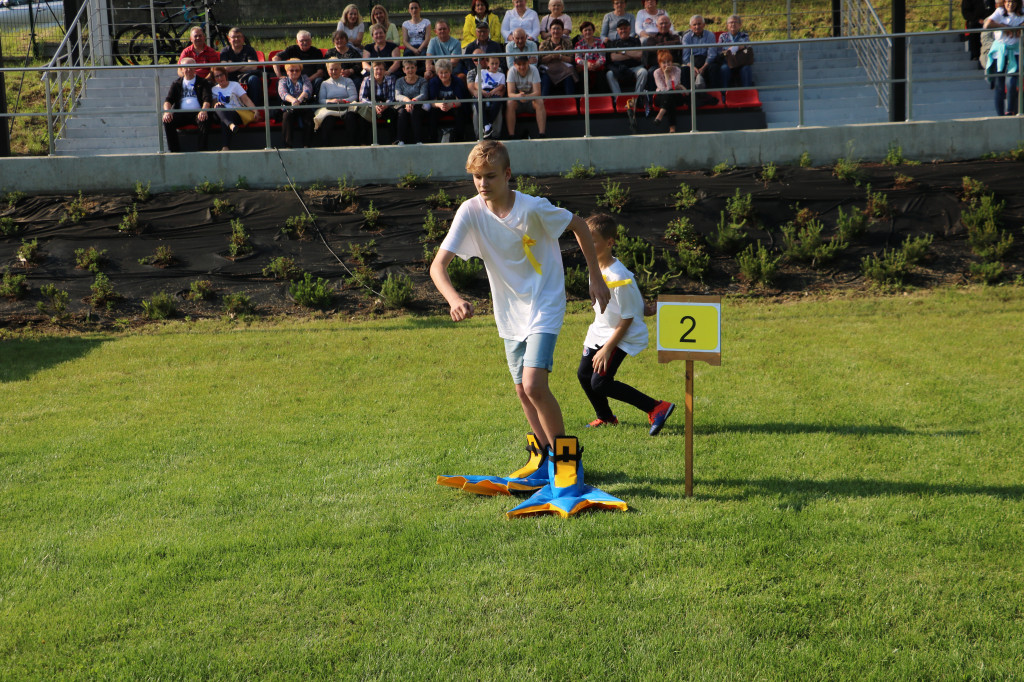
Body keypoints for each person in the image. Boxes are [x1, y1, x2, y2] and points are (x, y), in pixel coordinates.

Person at [429, 140, 611, 502]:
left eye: (490, 176)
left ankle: (567, 465)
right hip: (509, 311)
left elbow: (578, 225)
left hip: (545, 302)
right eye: (476, 177)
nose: (482, 184)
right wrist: (454, 299)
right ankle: (544, 460)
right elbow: (438, 266)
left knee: (533, 384)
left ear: (507, 174)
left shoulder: (532, 207)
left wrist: (595, 276)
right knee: (521, 390)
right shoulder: (470, 211)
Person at [577, 213, 675, 434]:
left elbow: (628, 317)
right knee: (584, 375)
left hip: (620, 333)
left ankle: (657, 407)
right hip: (600, 329)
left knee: (600, 382)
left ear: (609, 242)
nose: (587, 246)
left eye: (593, 241)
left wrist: (606, 349)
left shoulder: (618, 275)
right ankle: (606, 418)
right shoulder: (596, 266)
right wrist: (644, 306)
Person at [162, 57, 212, 153]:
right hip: (181, 113)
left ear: (195, 68)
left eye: (191, 67)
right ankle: (174, 151)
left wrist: (204, 110)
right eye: (186, 67)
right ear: (181, 69)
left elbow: (207, 99)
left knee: (204, 119)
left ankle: (202, 151)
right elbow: (168, 100)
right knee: (167, 120)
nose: (188, 69)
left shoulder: (203, 82)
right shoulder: (176, 83)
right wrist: (167, 112)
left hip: (198, 113)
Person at [984, 0, 1024, 115]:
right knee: (999, 85)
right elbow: (987, 25)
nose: (1010, 4)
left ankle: (1010, 110)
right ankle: (1000, 114)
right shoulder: (1000, 11)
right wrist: (1004, 27)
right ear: (1004, 2)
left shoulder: (1021, 12)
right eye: (1008, 2)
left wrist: (1019, 28)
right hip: (1000, 51)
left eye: (1013, 2)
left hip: (1015, 50)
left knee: (1012, 82)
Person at [314, 59, 360, 146]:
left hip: (346, 107)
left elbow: (354, 96)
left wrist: (343, 101)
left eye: (336, 69)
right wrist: (330, 101)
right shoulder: (324, 83)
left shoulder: (348, 81)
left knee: (350, 117)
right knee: (327, 120)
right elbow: (321, 100)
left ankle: (353, 145)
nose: (334, 71)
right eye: (331, 69)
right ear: (327, 70)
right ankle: (325, 146)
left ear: (340, 69)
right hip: (331, 108)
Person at [210, 66, 257, 151]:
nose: (220, 78)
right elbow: (214, 104)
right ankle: (231, 125)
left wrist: (255, 111)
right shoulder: (214, 89)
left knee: (224, 119)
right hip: (221, 113)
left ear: (225, 74)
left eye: (221, 75)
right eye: (217, 76)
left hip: (236, 113)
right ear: (214, 79)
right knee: (218, 107)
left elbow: (245, 99)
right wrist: (216, 104)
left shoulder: (235, 85)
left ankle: (225, 147)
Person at [427, 59, 471, 141]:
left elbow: (460, 101)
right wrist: (440, 105)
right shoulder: (433, 82)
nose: (444, 75)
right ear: (437, 73)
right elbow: (432, 102)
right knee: (432, 114)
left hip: (454, 106)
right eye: (441, 73)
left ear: (450, 72)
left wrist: (451, 105)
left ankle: (459, 139)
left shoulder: (457, 81)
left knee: (460, 113)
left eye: (446, 72)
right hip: (439, 107)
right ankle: (432, 140)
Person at [274, 31, 326, 97]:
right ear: (297, 41)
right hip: (293, 80)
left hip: (310, 79)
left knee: (319, 81)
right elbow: (275, 58)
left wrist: (306, 81)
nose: (305, 43)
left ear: (311, 41)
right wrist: (279, 75)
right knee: (279, 82)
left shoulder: (317, 52)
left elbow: (320, 72)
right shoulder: (292, 49)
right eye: (302, 41)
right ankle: (283, 103)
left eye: (307, 40)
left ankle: (316, 101)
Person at [506, 54, 546, 138]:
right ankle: (511, 135)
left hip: (531, 101)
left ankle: (542, 134)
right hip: (518, 101)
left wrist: (526, 96)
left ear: (528, 63)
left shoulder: (534, 70)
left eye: (524, 64)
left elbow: (537, 92)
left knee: (539, 101)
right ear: (514, 64)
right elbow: (510, 94)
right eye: (519, 64)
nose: (522, 67)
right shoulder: (511, 71)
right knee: (510, 103)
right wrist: (519, 96)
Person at [219, 27, 262, 105]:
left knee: (254, 79)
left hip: (247, 76)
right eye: (233, 37)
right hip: (230, 77)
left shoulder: (249, 50)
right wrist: (244, 64)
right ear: (229, 39)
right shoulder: (225, 51)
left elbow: (253, 66)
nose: (236, 39)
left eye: (238, 36)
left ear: (243, 38)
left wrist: (233, 65)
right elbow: (225, 68)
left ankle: (255, 107)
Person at [357, 60, 398, 142]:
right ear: (372, 70)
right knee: (363, 117)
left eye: (381, 69)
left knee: (390, 119)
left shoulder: (390, 80)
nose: (379, 71)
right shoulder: (366, 80)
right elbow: (362, 98)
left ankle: (393, 141)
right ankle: (363, 142)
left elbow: (391, 97)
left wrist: (385, 105)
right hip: (371, 106)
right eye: (376, 69)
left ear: (384, 70)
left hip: (385, 107)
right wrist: (374, 105)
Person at [278, 58, 314, 147]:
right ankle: (288, 145)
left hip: (303, 104)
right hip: (289, 105)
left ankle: (307, 145)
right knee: (287, 116)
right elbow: (283, 93)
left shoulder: (305, 78)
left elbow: (307, 89)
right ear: (287, 72)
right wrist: (293, 100)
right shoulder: (283, 81)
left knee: (309, 116)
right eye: (291, 70)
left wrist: (299, 99)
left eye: (297, 70)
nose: (294, 72)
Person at [606, 18, 648, 94]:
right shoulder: (613, 43)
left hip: (635, 67)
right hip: (619, 68)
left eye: (625, 28)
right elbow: (613, 57)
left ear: (629, 29)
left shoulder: (636, 40)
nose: (623, 30)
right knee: (609, 74)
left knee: (643, 72)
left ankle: (637, 96)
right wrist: (631, 54)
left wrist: (622, 52)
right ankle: (618, 97)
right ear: (617, 30)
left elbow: (639, 55)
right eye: (621, 29)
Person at [468, 55, 506, 137]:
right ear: (487, 63)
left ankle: (488, 124)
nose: (494, 66)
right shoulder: (482, 72)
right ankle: (486, 125)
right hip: (483, 91)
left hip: (494, 91)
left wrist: (494, 91)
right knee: (477, 100)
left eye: (496, 63)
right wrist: (482, 91)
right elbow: (476, 84)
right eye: (492, 63)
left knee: (498, 101)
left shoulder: (501, 75)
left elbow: (502, 86)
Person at [717, 14, 754, 96]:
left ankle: (748, 93)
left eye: (735, 22)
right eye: (730, 22)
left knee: (746, 68)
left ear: (740, 25)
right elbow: (719, 51)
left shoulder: (744, 35)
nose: (733, 24)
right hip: (728, 61)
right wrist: (731, 49)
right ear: (727, 25)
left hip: (741, 61)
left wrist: (737, 47)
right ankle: (724, 94)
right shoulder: (723, 36)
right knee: (724, 69)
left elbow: (747, 47)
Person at [538, 19, 577, 96]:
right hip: (549, 68)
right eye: (554, 29)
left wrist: (559, 56)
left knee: (569, 77)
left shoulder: (567, 42)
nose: (556, 31)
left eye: (558, 29)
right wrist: (552, 55)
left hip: (564, 68)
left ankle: (571, 100)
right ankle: (543, 101)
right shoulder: (544, 43)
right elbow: (542, 60)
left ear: (562, 31)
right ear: (550, 30)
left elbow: (570, 59)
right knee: (545, 78)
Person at [394, 59, 428, 144]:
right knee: (402, 113)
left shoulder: (422, 81)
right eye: (407, 68)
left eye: (412, 67)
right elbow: (397, 96)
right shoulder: (399, 81)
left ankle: (418, 140)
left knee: (414, 112)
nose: (410, 70)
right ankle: (400, 140)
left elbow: (424, 94)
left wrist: (413, 101)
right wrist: (407, 100)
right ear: (403, 70)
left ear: (416, 68)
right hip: (403, 104)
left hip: (418, 105)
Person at [681, 15, 719, 89]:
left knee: (714, 68)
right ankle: (688, 94)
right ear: (690, 26)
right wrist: (693, 68)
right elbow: (685, 57)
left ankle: (714, 92)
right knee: (684, 70)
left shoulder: (710, 35)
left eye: (699, 24)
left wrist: (703, 68)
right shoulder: (686, 37)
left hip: (706, 61)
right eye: (694, 25)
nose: (697, 27)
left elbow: (712, 54)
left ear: (704, 25)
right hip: (692, 62)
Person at [652, 49, 684, 132]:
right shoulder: (656, 72)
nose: (667, 65)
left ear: (672, 62)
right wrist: (667, 76)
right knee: (669, 98)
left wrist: (667, 75)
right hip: (661, 96)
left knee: (671, 96)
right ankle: (672, 128)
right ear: (659, 64)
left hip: (676, 95)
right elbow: (663, 90)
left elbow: (672, 88)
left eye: (669, 62)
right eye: (664, 62)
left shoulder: (677, 70)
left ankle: (660, 115)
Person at [574, 21, 606, 87]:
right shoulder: (579, 44)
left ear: (593, 31)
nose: (588, 32)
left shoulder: (599, 42)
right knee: (583, 75)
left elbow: (602, 57)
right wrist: (587, 64)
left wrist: (597, 64)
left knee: (601, 75)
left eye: (589, 30)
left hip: (597, 66)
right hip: (584, 67)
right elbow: (577, 58)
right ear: (582, 32)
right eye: (585, 30)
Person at [402, 0, 432, 69]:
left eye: (416, 8)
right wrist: (414, 50)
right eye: (412, 8)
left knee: (424, 56)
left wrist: (419, 49)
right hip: (411, 47)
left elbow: (427, 38)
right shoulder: (405, 24)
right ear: (409, 10)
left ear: (420, 9)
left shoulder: (426, 22)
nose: (414, 10)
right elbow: (405, 41)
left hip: (423, 46)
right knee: (407, 55)